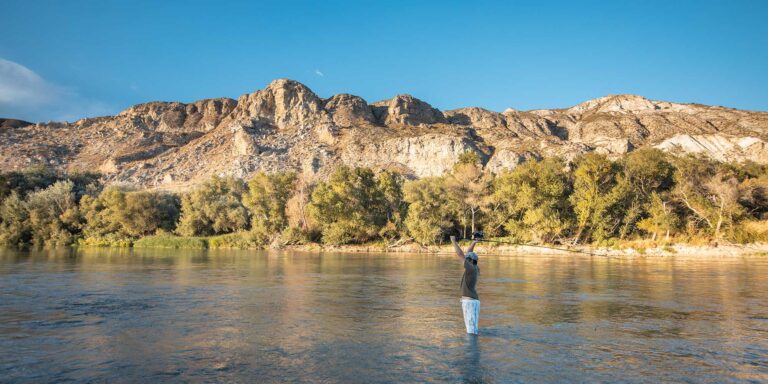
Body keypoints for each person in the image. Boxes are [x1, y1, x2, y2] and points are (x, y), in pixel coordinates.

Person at [450, 235, 480, 335]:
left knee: (471, 331)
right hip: (470, 301)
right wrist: (474, 242)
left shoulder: (471, 268)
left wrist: (453, 241)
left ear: (470, 261)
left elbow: (460, 254)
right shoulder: (475, 267)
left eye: (467, 259)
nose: (466, 260)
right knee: (471, 330)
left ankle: (473, 349)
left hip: (470, 302)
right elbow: (468, 253)